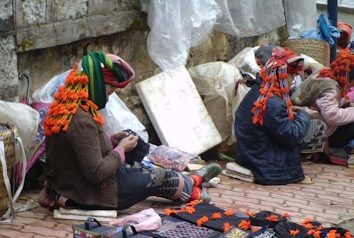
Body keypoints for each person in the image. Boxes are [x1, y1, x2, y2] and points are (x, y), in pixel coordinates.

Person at [38, 51, 221, 211]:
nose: (108, 100)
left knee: (141, 167)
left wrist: (111, 139)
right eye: (108, 93)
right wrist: (121, 149)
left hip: (73, 184)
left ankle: (189, 182)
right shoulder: (81, 120)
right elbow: (96, 173)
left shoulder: (68, 107)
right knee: (158, 176)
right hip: (91, 195)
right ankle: (194, 188)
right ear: (96, 86)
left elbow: (79, 146)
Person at [234, 49, 318, 185]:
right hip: (265, 164)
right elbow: (291, 136)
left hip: (248, 154)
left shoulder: (260, 89)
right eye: (291, 75)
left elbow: (269, 118)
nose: (293, 80)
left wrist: (288, 110)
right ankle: (292, 173)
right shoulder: (273, 102)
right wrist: (305, 115)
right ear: (282, 75)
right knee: (315, 127)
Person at [291, 48, 354, 167]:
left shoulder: (326, 75)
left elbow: (331, 102)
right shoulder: (330, 88)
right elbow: (332, 116)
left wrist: (346, 103)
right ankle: (332, 148)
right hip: (317, 128)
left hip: (318, 122)